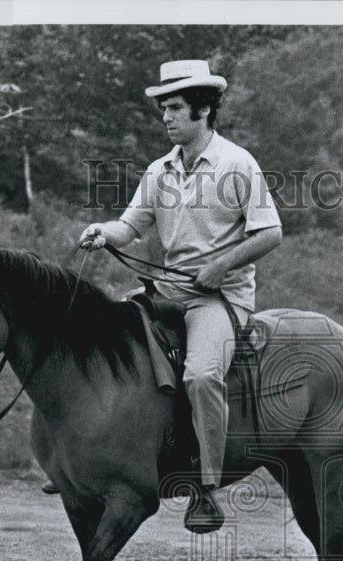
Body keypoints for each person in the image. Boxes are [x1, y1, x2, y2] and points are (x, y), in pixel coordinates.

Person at [64, 59, 283, 533]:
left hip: (218, 299)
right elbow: (129, 227)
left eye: (176, 108)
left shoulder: (237, 164)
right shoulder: (159, 170)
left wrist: (222, 266)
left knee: (202, 376)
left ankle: (205, 488)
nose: (166, 117)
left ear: (203, 109)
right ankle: (89, 463)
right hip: (164, 292)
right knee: (98, 346)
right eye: (163, 108)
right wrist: (102, 231)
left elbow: (271, 233)